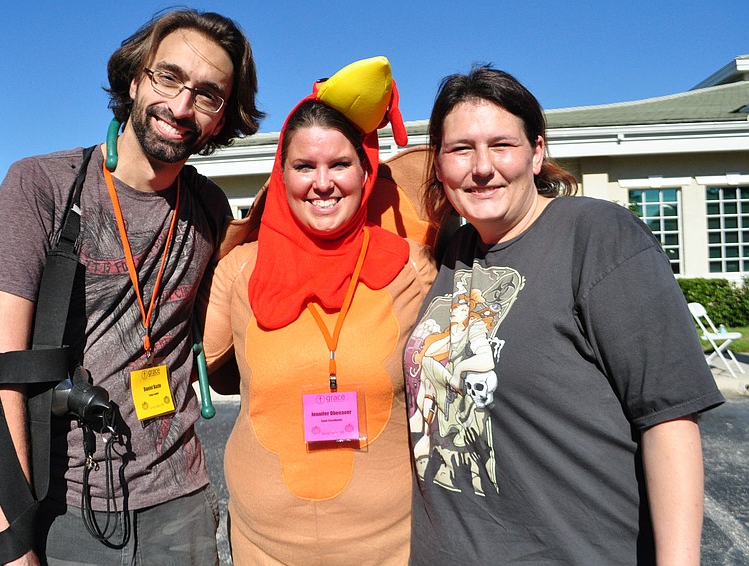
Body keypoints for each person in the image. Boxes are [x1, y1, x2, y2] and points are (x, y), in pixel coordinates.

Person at [0, 9, 262, 565]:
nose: (181, 106)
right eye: (168, 77)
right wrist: (14, 544)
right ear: (134, 80)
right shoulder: (44, 186)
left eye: (207, 95)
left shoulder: (209, 209)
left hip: (184, 505)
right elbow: (0, 376)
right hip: (66, 509)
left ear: (221, 119)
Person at [403, 66, 725, 565]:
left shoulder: (599, 237)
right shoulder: (452, 253)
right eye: (461, 149)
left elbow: (669, 419)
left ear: (537, 152)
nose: (482, 167)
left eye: (502, 145)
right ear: (440, 163)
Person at [201, 57, 435, 564]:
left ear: (366, 170)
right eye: (304, 166)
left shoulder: (413, 267)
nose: (322, 182)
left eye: (340, 164)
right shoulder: (239, 270)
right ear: (280, 175)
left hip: (391, 549)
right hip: (262, 549)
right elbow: (195, 360)